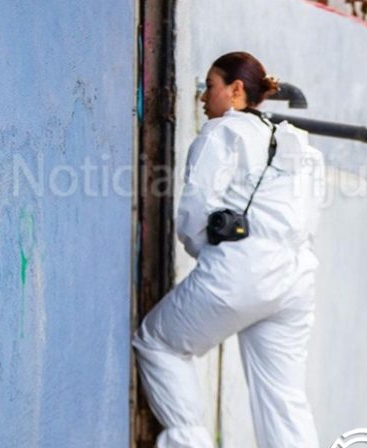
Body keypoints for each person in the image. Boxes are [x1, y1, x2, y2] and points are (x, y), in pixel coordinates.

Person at [133, 51, 325, 448]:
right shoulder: (299, 146)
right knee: (283, 397)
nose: (203, 97)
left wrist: (212, 257)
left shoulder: (223, 133)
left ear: (236, 90)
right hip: (297, 278)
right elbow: (311, 217)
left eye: (211, 86)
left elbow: (193, 213)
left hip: (243, 272)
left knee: (158, 342)